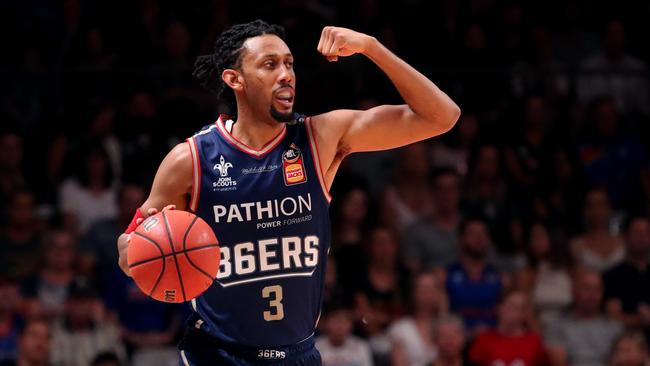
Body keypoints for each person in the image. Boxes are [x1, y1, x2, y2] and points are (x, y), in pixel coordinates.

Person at [116, 19, 460, 366]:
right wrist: (135, 251)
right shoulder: (190, 160)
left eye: (289, 63)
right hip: (217, 354)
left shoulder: (321, 137)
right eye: (270, 64)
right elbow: (131, 245)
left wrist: (371, 47)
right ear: (235, 79)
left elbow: (441, 117)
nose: (286, 74)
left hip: (299, 354)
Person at [544, 268, 623, 366]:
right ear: (574, 291)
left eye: (597, 289)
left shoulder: (614, 328)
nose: (592, 294)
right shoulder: (557, 326)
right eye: (587, 288)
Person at [469, 290, 547, 366]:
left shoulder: (534, 341)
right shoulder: (483, 340)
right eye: (511, 306)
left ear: (524, 314)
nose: (514, 312)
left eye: (520, 308)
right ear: (499, 308)